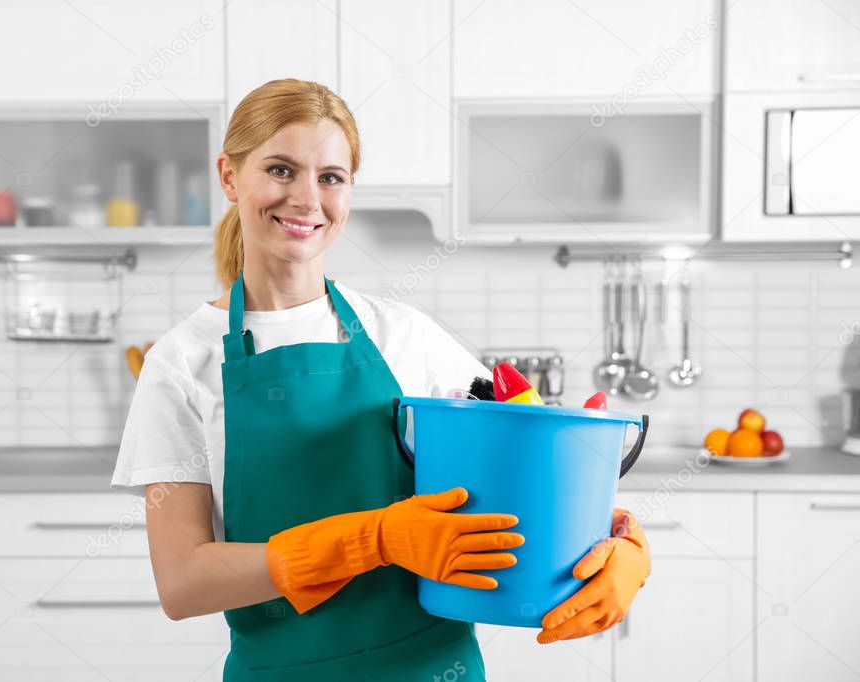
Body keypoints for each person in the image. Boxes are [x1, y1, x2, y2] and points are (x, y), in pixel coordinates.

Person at [111, 78, 651, 681]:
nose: (307, 198)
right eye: (281, 170)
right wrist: (377, 539)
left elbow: (535, 475)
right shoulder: (182, 363)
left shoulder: (407, 336)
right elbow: (183, 583)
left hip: (434, 668)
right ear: (230, 177)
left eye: (331, 177)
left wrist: (624, 545)